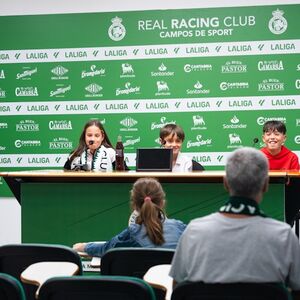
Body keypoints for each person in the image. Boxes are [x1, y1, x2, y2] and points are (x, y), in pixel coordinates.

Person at [169, 147, 300, 293]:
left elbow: (178, 288)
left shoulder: (194, 230)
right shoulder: (284, 235)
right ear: (265, 185)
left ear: (225, 183)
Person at [73, 177, 186, 257]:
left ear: (134, 205)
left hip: (142, 289)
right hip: (174, 288)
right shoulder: (180, 228)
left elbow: (105, 249)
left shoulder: (132, 233)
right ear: (162, 202)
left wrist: (84, 246)